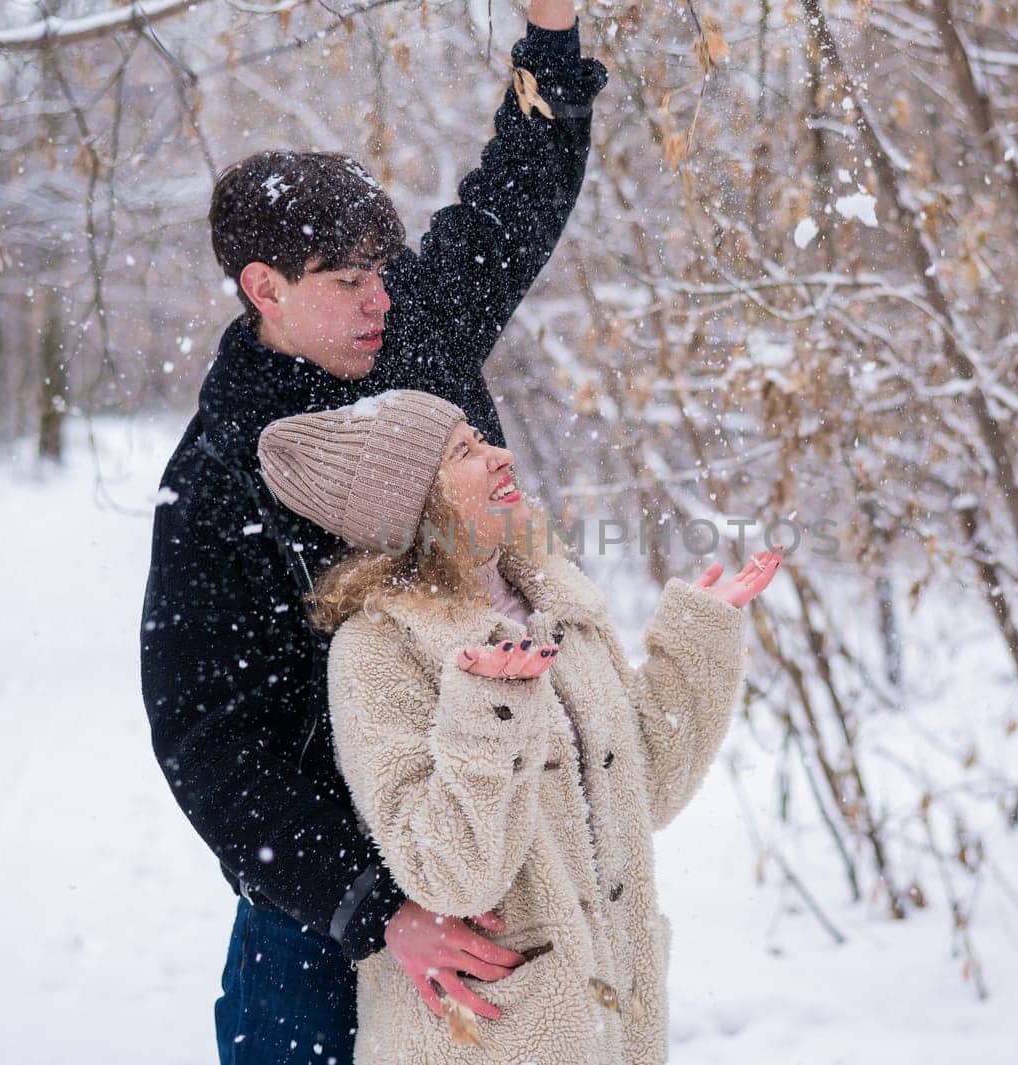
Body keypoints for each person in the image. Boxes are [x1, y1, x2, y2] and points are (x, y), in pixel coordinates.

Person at [138, 4, 606, 1062]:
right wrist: (376, 906)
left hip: (495, 844)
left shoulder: (414, 329)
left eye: (381, 272)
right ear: (264, 288)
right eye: (347, 283)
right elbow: (209, 743)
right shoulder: (219, 479)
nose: (379, 301)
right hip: (325, 909)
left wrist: (550, 34)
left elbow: (519, 193)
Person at [255, 390, 782, 1064]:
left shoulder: (555, 597)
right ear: (414, 501)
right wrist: (486, 712)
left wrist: (695, 644)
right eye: (465, 452)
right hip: (485, 1041)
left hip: (609, 1033)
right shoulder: (380, 652)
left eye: (482, 438)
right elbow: (450, 876)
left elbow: (639, 791)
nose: (501, 454)